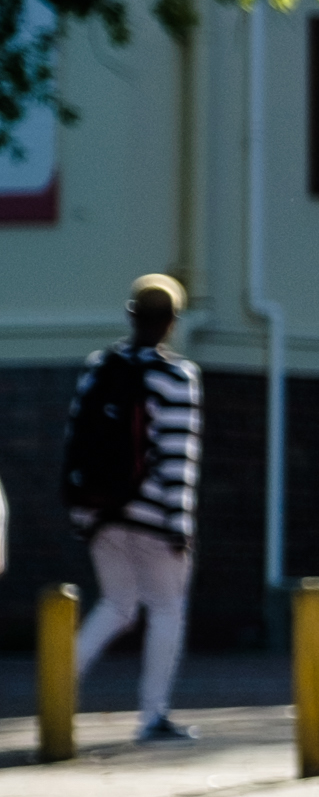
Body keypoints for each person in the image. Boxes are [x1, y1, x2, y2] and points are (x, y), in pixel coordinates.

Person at [64, 274, 205, 746]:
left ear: (131, 316)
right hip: (153, 517)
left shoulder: (98, 366)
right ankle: (153, 716)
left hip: (100, 512)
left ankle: (57, 687)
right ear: (171, 324)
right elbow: (177, 457)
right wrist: (180, 525)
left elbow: (75, 440)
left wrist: (82, 513)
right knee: (167, 609)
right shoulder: (178, 377)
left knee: (116, 604)